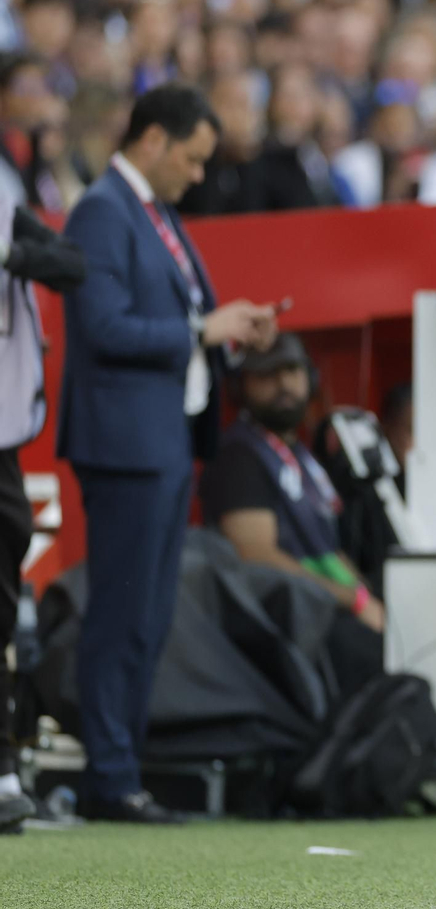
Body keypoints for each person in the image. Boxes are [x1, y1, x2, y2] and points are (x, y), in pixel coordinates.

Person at [58, 84, 277, 823]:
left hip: (162, 438)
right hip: (125, 442)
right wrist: (201, 332)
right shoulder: (101, 211)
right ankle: (109, 776)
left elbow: (168, 317)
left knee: (147, 615)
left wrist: (229, 328)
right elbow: (103, 326)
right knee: (121, 613)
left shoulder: (154, 215)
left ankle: (124, 769)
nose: (197, 174)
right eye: (190, 158)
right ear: (152, 139)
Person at [199, 333, 384, 697]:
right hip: (283, 627)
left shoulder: (300, 456)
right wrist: (353, 600)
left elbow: (328, 552)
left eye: (291, 371)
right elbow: (257, 558)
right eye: (267, 374)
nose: (283, 384)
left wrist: (366, 596)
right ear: (242, 386)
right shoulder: (240, 457)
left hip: (317, 613)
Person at [0, 175, 86, 835]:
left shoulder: (5, 205)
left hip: (2, 438)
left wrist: (14, 255)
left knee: (5, 589)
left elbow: (70, 264)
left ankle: (2, 764)